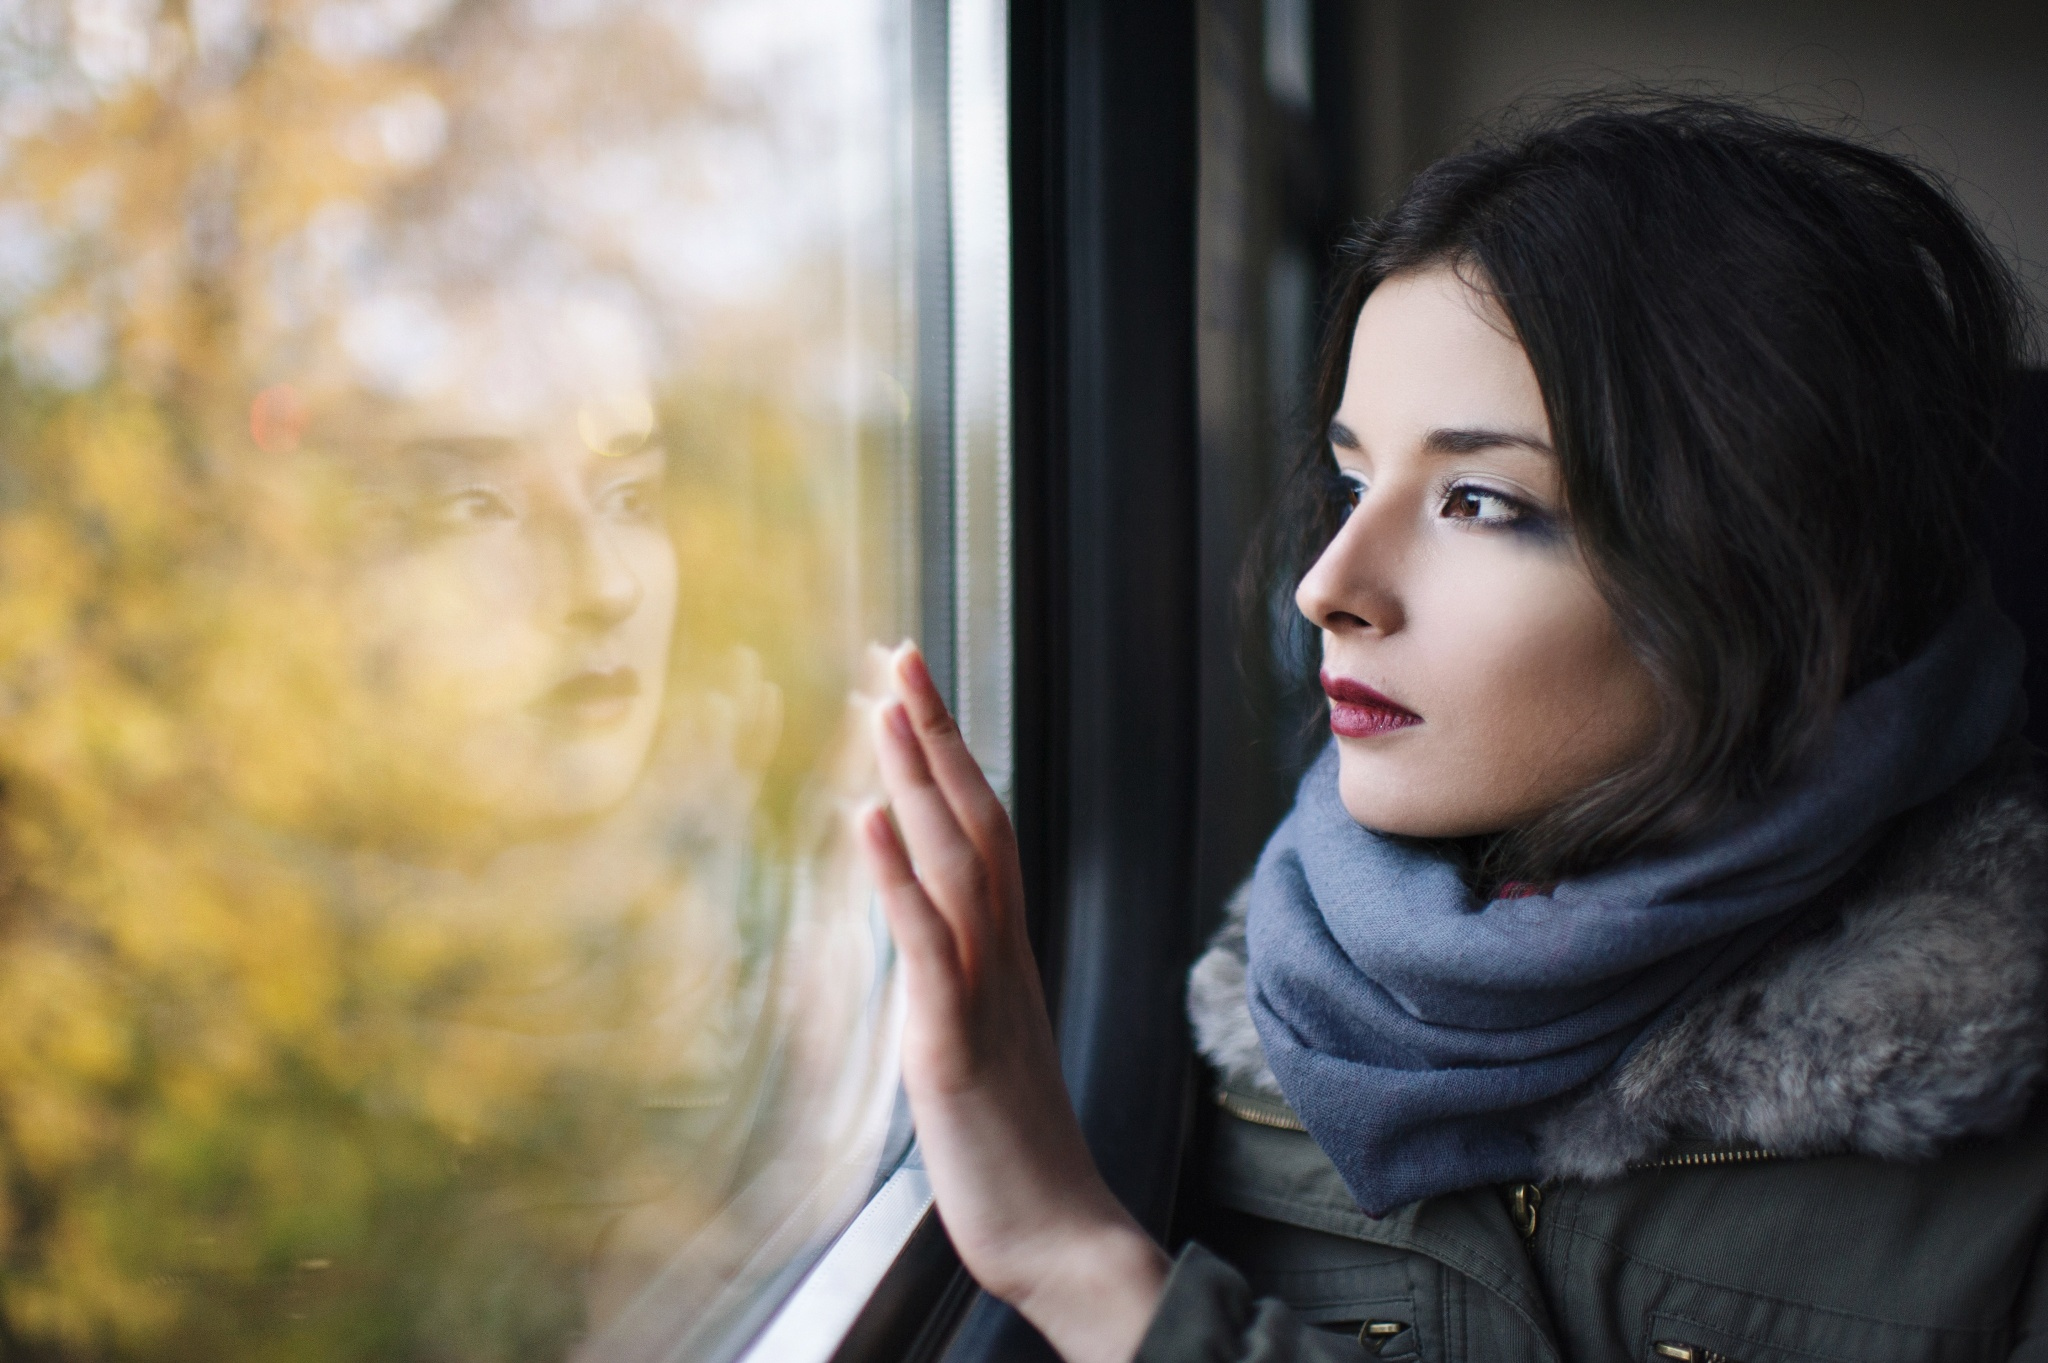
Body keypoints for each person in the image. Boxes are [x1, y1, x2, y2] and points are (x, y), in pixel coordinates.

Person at [858, 97, 2048, 1362]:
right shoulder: (1247, 1054)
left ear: (1774, 562)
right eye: (1352, 482)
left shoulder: (2001, 1141)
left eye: (1479, 499)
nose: (1323, 586)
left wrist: (1083, 1267)